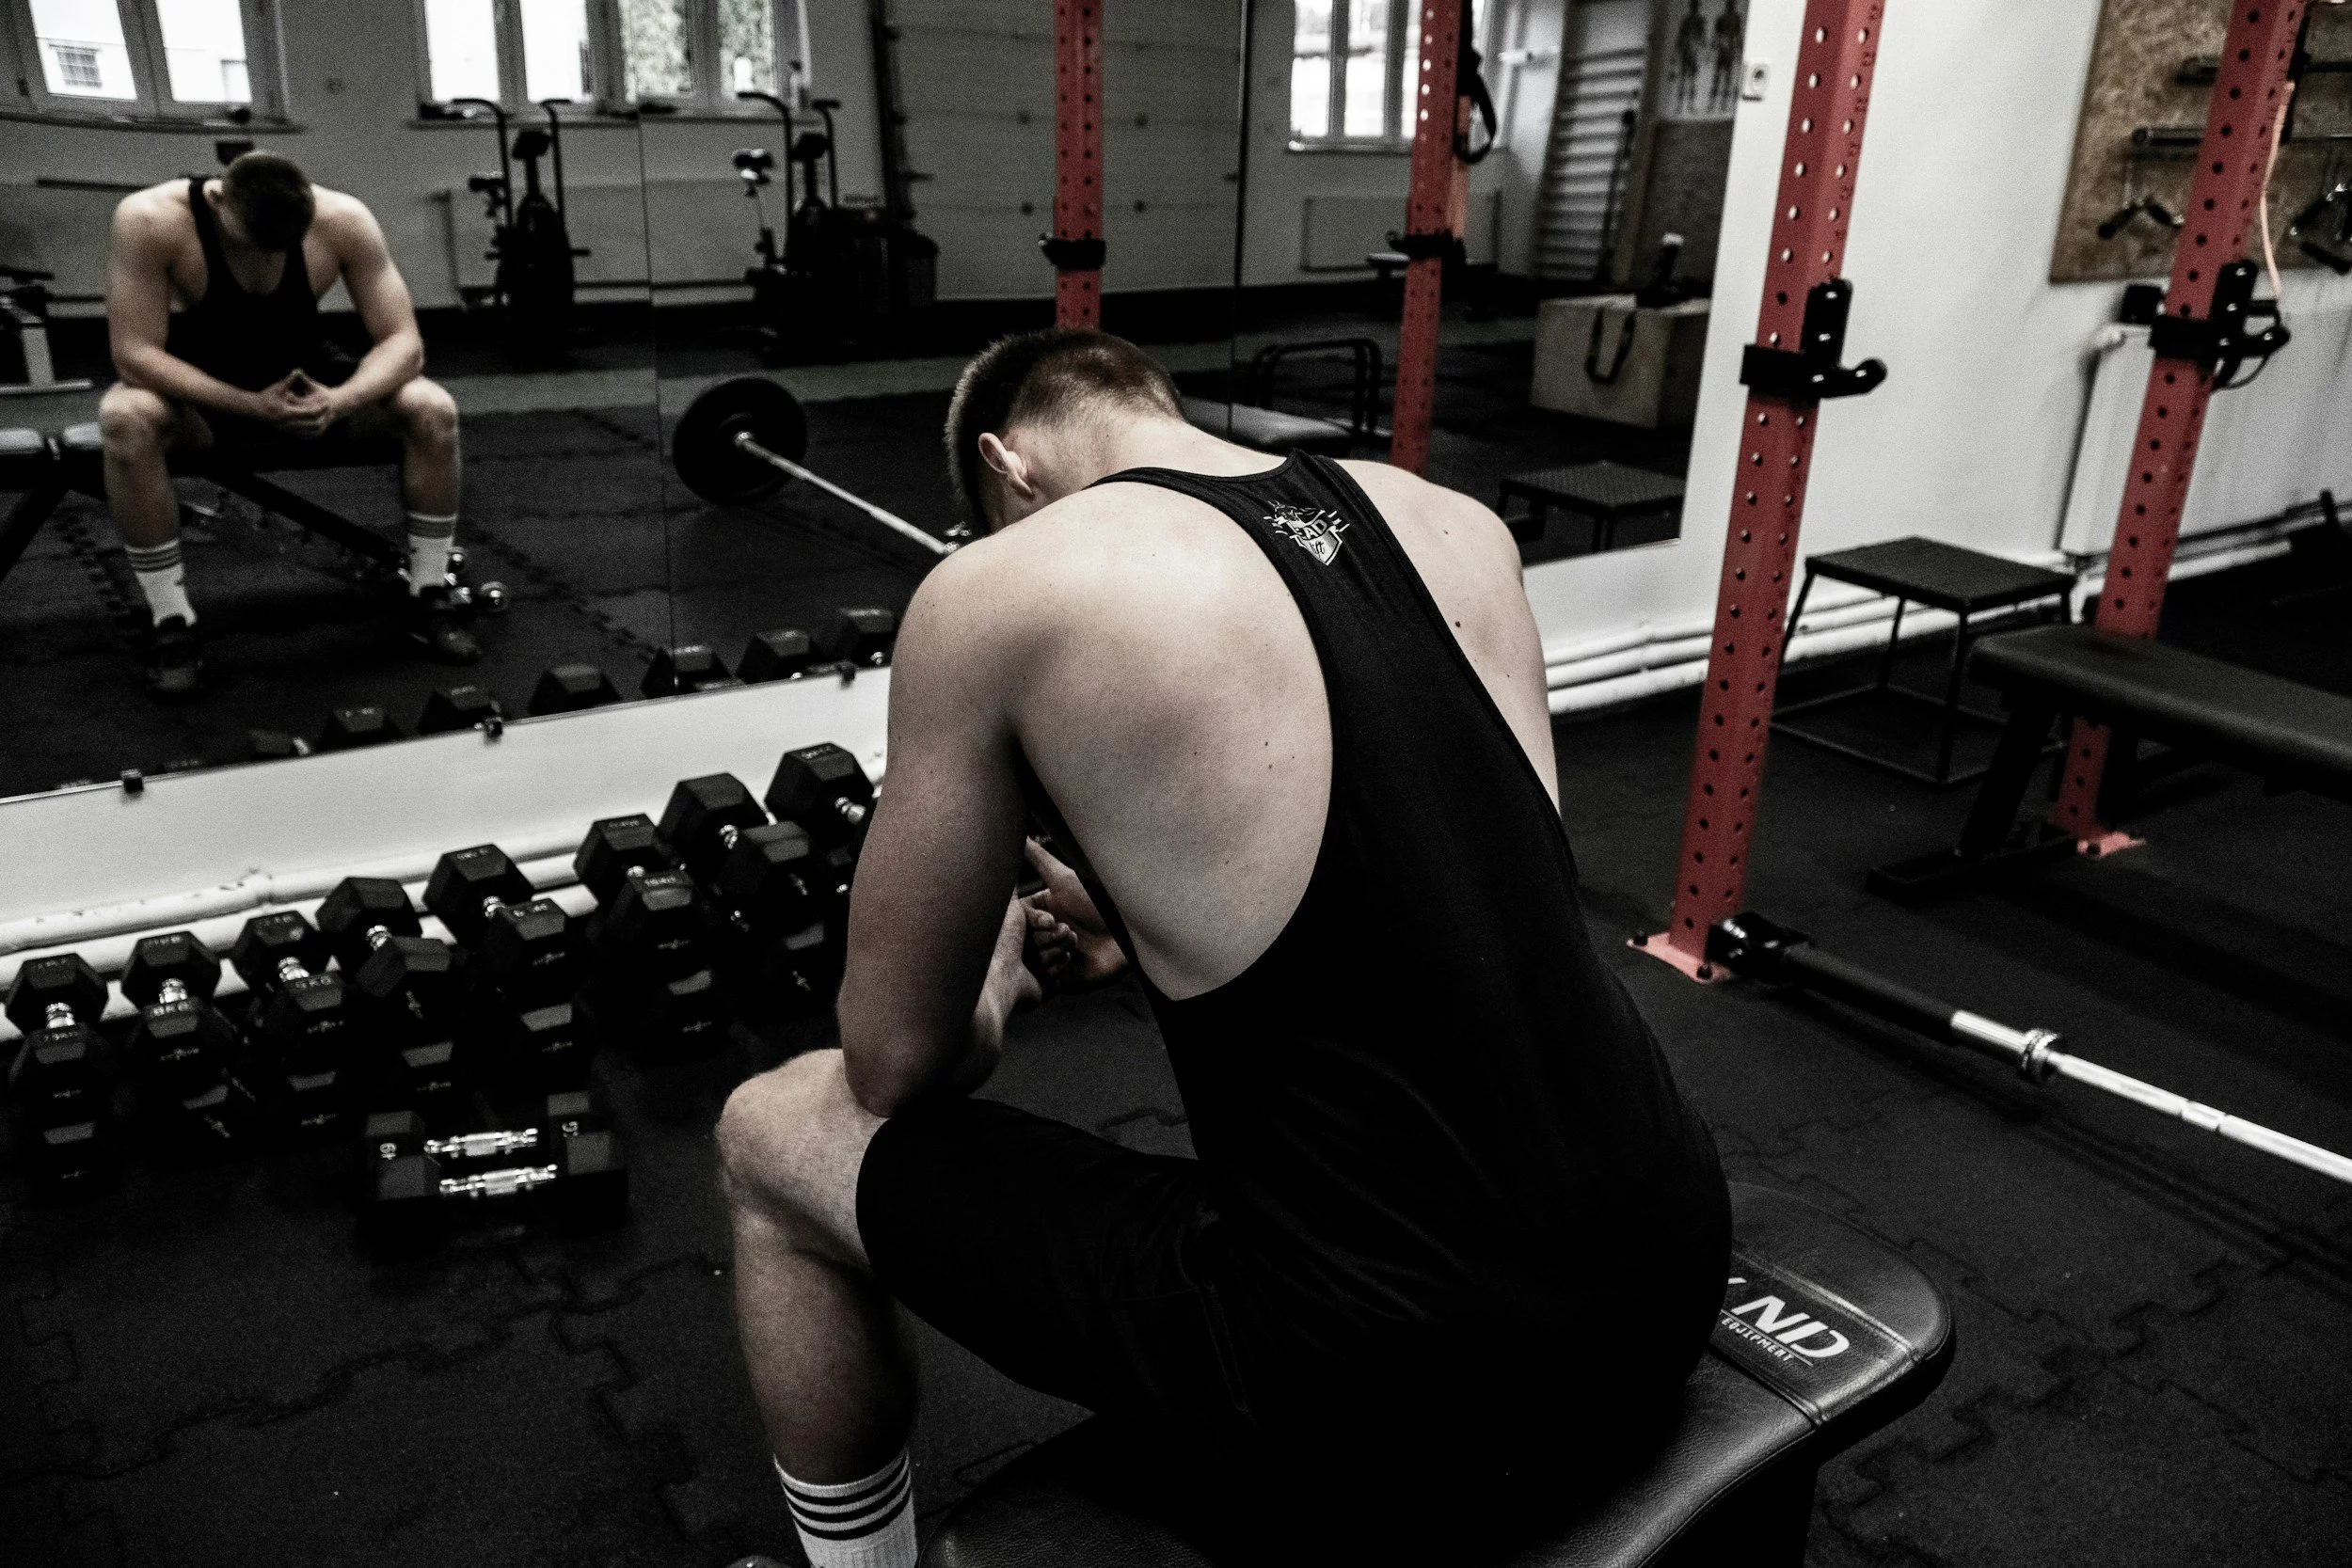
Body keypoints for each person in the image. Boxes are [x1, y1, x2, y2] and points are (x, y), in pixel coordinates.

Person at [717, 330, 1730, 1567]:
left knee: (773, 1130)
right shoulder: (1453, 522)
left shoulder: (993, 591)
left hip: (1398, 1373)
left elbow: (895, 1063)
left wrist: (990, 984)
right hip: (1673, 1261)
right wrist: (1149, 919)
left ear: (1008, 464)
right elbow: (1445, 902)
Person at [100, 150, 473, 700]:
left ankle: (429, 593)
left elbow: (404, 342)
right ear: (218, 200)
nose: (267, 260)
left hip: (313, 384)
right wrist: (250, 405)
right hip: (205, 392)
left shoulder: (343, 218)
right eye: (252, 245)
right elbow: (133, 355)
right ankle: (171, 621)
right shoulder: (150, 218)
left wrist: (341, 400)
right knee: (125, 419)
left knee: (433, 408)